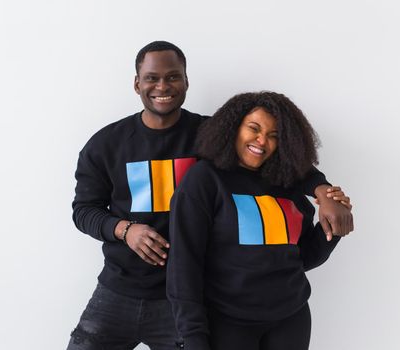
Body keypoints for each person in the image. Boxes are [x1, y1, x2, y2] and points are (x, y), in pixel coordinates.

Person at [67, 42, 352, 350]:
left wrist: (322, 190)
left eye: (173, 76)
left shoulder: (210, 134)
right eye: (152, 78)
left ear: (186, 81)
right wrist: (124, 230)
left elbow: (282, 160)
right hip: (121, 287)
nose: (162, 86)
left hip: (188, 294)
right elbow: (84, 210)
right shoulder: (106, 145)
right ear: (137, 83)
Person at [167, 91, 351, 350]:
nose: (262, 141)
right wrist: (193, 336)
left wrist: (333, 226)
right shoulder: (205, 179)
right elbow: (184, 267)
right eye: (253, 128)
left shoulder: (287, 182)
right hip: (227, 323)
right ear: (233, 128)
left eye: (274, 135)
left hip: (291, 320)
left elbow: (303, 258)